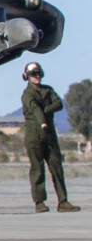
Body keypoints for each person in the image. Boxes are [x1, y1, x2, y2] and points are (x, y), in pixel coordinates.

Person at [21, 61, 76, 213]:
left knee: (57, 167)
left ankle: (63, 201)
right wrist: (43, 122)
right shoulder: (27, 94)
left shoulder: (48, 90)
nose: (37, 76)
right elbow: (35, 109)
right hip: (34, 136)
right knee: (37, 169)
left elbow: (58, 103)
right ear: (28, 76)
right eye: (33, 74)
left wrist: (47, 109)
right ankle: (39, 202)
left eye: (38, 73)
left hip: (49, 136)